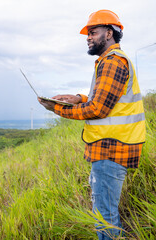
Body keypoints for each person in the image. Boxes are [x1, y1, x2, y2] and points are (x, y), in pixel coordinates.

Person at [38, 9, 146, 239]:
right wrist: (78, 98)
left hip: (111, 149)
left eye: (92, 32)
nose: (87, 37)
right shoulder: (108, 62)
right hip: (110, 146)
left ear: (109, 33)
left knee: (104, 216)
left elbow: (98, 109)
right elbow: (106, 101)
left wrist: (57, 108)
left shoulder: (113, 62)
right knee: (105, 211)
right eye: (87, 33)